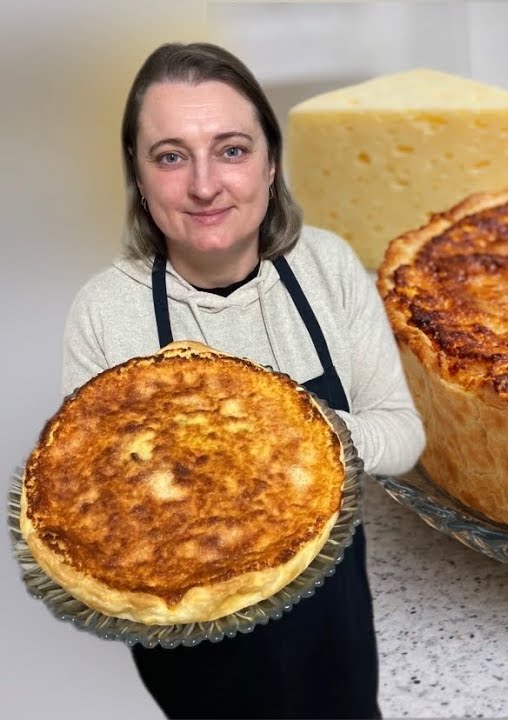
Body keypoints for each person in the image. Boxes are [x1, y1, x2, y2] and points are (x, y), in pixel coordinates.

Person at [61, 42, 425, 719]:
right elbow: (97, 515)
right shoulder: (107, 310)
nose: (205, 185)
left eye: (231, 149)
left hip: (335, 640)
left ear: (271, 162)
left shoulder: (327, 268)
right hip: (196, 654)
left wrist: (279, 434)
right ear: (139, 178)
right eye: (171, 156)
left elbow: (401, 435)